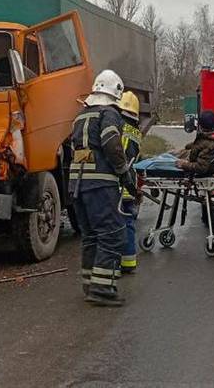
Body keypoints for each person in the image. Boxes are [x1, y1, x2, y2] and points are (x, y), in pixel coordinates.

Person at [69, 70, 135, 306]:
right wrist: (124, 173)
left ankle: (90, 284)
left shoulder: (80, 115)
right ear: (115, 93)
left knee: (91, 236)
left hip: (76, 185)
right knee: (113, 233)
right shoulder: (109, 113)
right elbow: (111, 144)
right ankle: (102, 289)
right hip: (100, 184)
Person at [116, 91, 142, 274]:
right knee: (129, 223)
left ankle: (116, 262)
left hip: (119, 183)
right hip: (130, 184)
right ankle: (129, 262)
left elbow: (117, 157)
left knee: (115, 225)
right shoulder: (135, 131)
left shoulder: (120, 128)